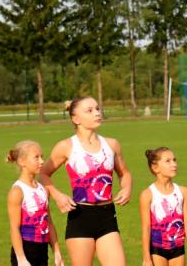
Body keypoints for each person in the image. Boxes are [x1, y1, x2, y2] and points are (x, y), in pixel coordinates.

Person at [40, 97, 133, 266]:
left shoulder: (112, 144)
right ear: (76, 119)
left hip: (107, 216)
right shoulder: (66, 146)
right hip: (80, 218)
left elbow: (124, 173)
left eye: (97, 108)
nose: (97, 113)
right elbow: (43, 173)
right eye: (89, 111)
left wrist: (126, 188)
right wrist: (57, 195)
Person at [6, 140, 64, 266]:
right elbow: (14, 228)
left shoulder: (43, 189)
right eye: (36, 157)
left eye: (42, 157)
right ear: (22, 162)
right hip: (25, 251)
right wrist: (21, 259)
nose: (42, 161)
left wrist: (57, 251)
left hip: (42, 252)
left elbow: (48, 222)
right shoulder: (17, 191)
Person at [139, 147, 187, 266]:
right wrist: (146, 258)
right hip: (157, 249)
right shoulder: (147, 195)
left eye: (174, 160)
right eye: (168, 161)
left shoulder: (183, 192)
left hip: (178, 249)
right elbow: (146, 227)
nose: (174, 164)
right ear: (155, 168)